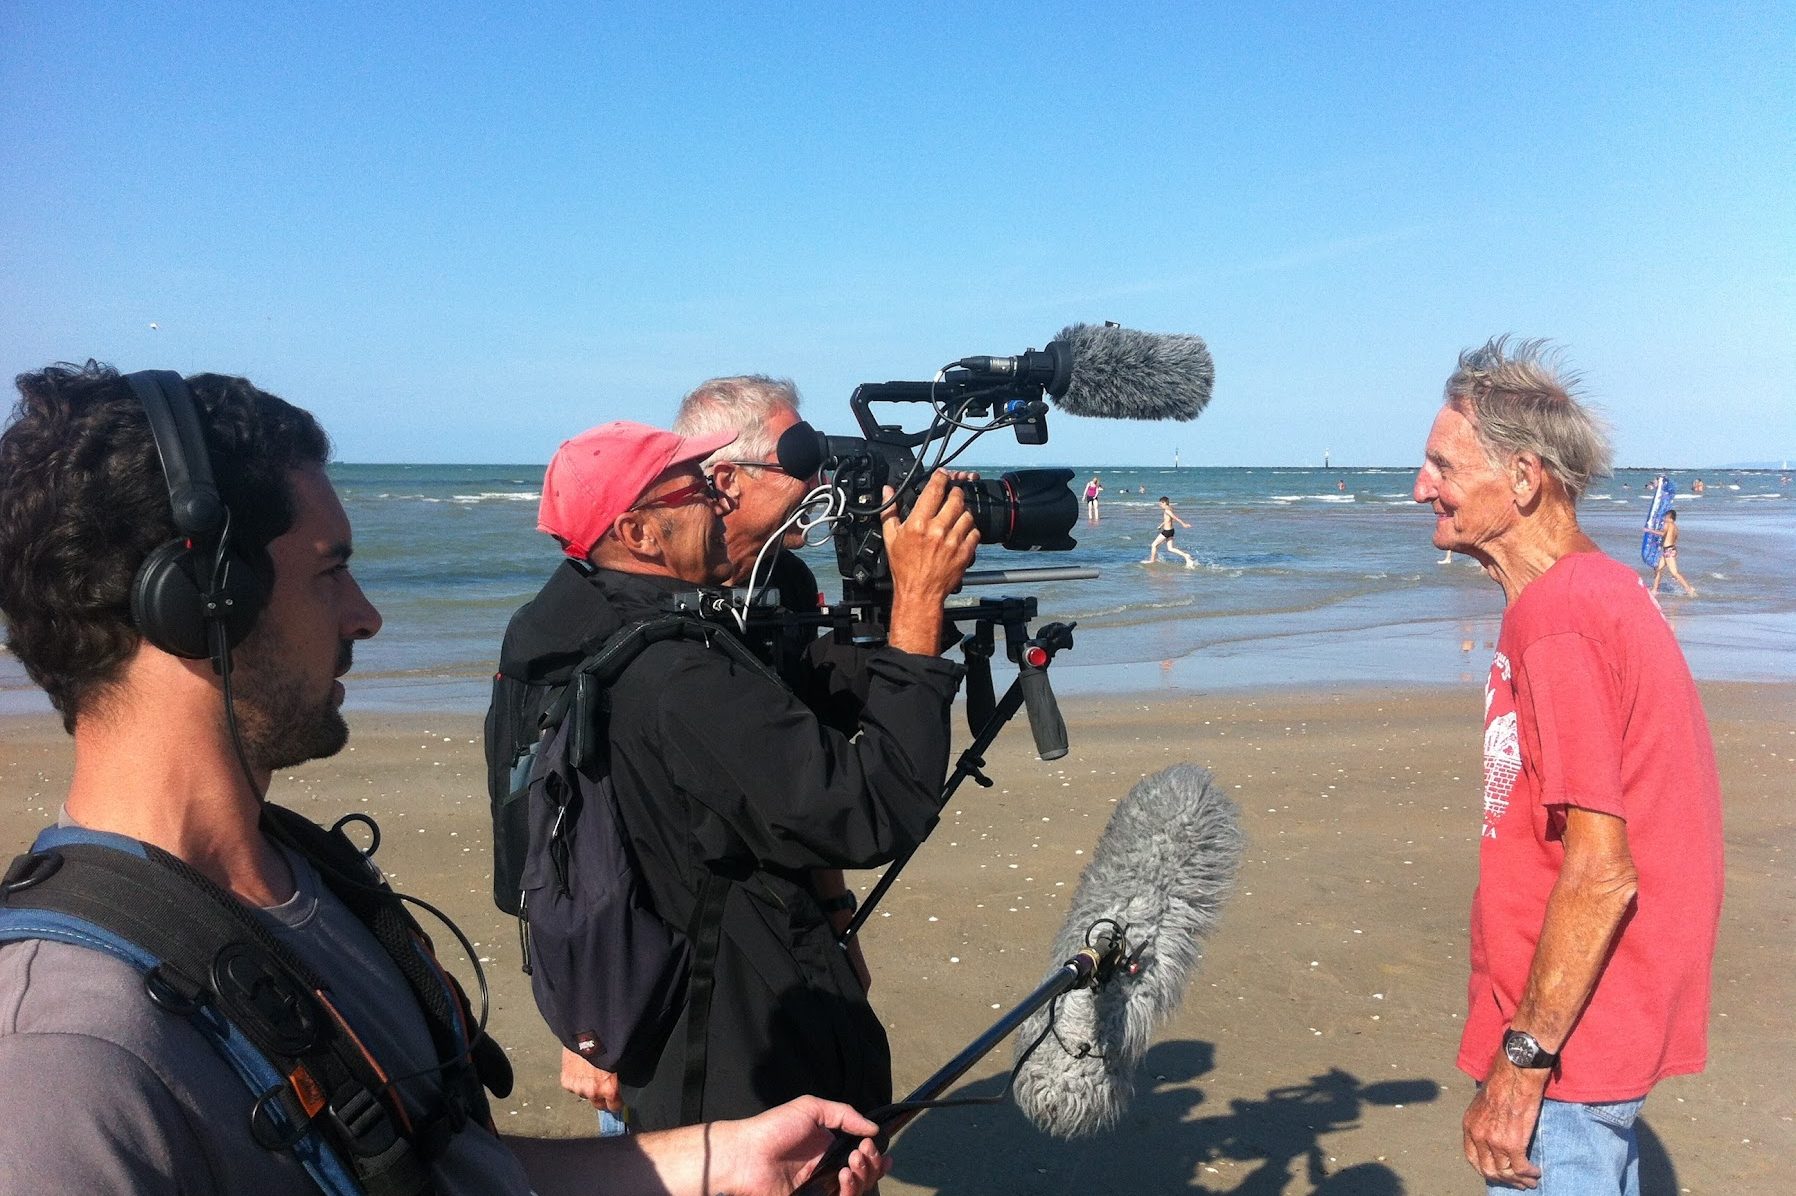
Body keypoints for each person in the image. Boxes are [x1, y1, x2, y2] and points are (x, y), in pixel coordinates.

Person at [0, 363, 886, 1196]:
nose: (367, 616)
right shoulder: (68, 1057)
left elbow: (446, 1170)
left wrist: (710, 1160)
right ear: (200, 603)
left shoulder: (314, 882)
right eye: (331, 570)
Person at [495, 418, 977, 1133]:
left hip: (680, 1027)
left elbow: (527, 843)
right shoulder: (677, 673)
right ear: (639, 533)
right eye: (695, 488)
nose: (719, 498)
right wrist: (917, 607)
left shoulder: (585, 633)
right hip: (734, 1058)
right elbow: (869, 810)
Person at [1411, 338, 1723, 1193]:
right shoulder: (1592, 596)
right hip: (1587, 1041)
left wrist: (1522, 1066)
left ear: (1523, 478)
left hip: (1566, 1064)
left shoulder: (1563, 619)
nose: (1421, 487)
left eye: (1442, 465)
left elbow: (1602, 875)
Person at [1648, 509, 1698, 597]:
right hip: (1671, 550)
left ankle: (1689, 589)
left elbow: (1662, 534)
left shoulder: (1668, 524)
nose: (1664, 518)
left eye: (1666, 517)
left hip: (1668, 551)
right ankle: (1654, 590)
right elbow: (1673, 540)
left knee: (1674, 573)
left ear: (1670, 517)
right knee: (1658, 569)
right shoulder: (1675, 527)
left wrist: (1650, 530)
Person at [1143, 495, 1196, 568]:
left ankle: (1152, 560)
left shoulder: (1167, 510)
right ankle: (1185, 555)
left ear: (1164, 503)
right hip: (1171, 531)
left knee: (1153, 545)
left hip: (1166, 532)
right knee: (1170, 548)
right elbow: (1168, 519)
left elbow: (1175, 518)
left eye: (1161, 504)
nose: (1160, 505)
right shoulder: (1170, 508)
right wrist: (1161, 525)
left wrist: (1184, 524)